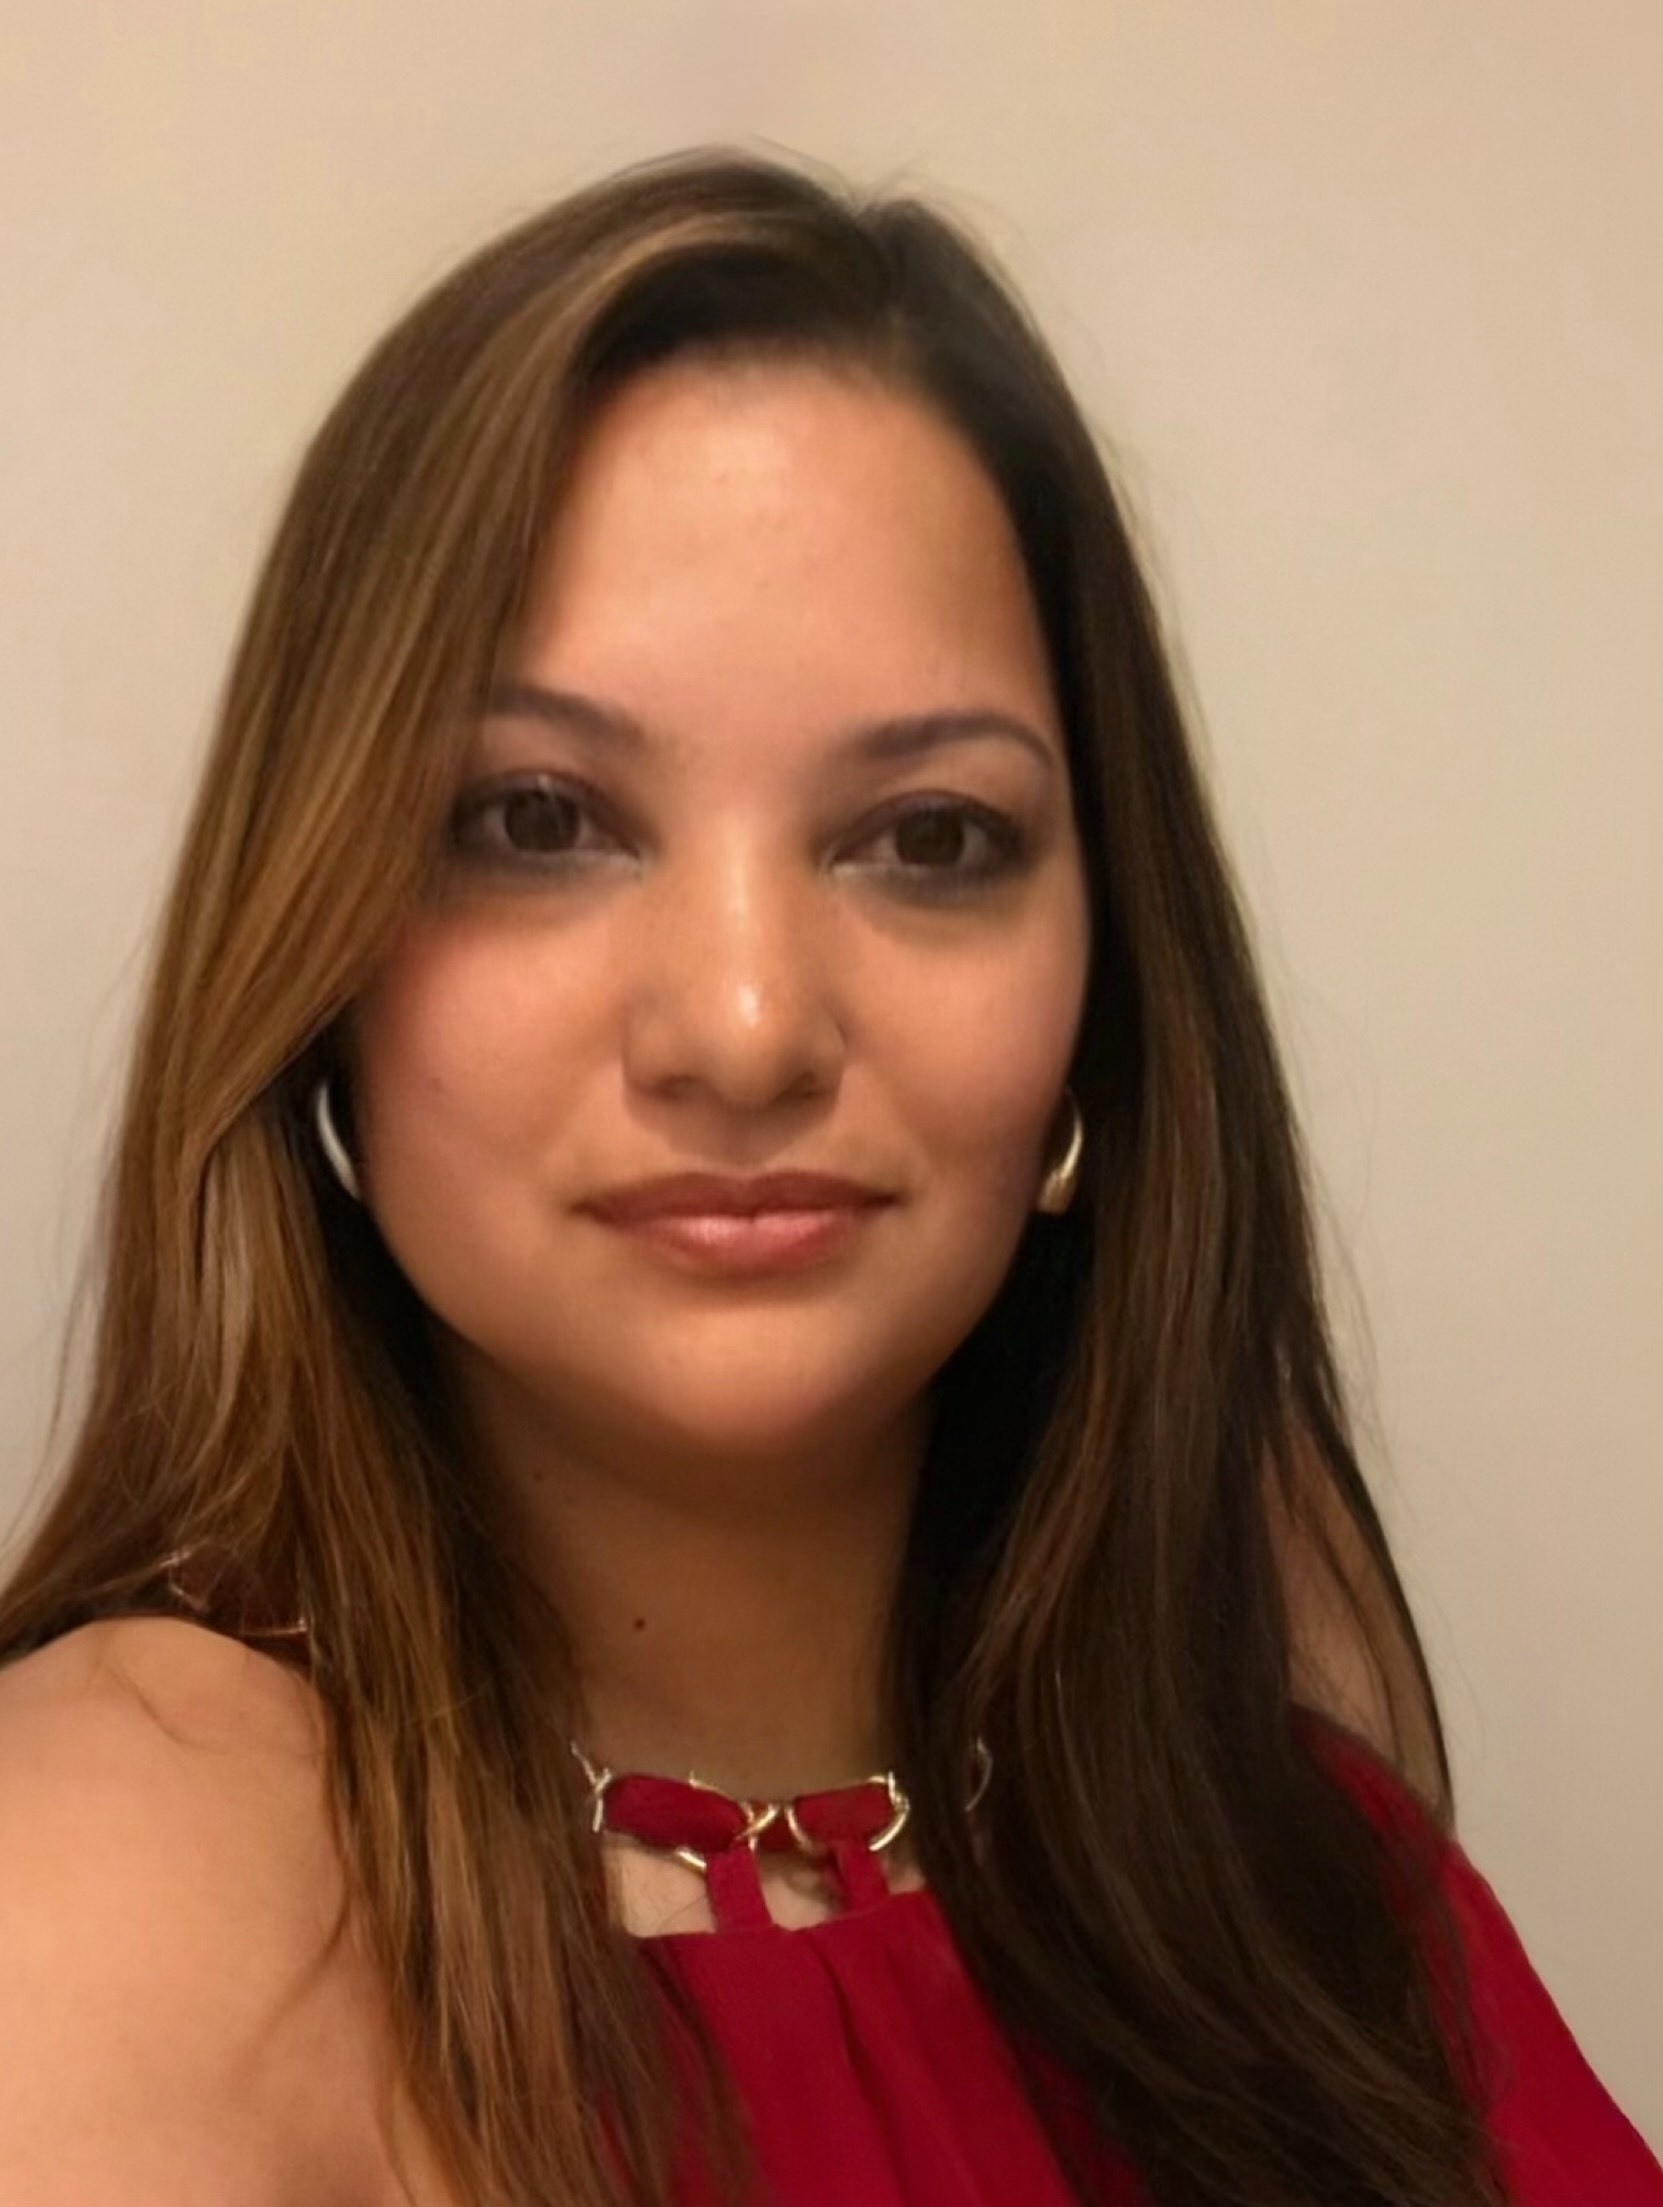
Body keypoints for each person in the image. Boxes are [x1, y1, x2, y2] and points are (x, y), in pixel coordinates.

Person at [0, 145, 1655, 2207]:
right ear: (315, 956)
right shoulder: (104, 1887)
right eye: (537, 819)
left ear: (1107, 994)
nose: (748, 1023)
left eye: (927, 839)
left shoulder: (1295, 1867)